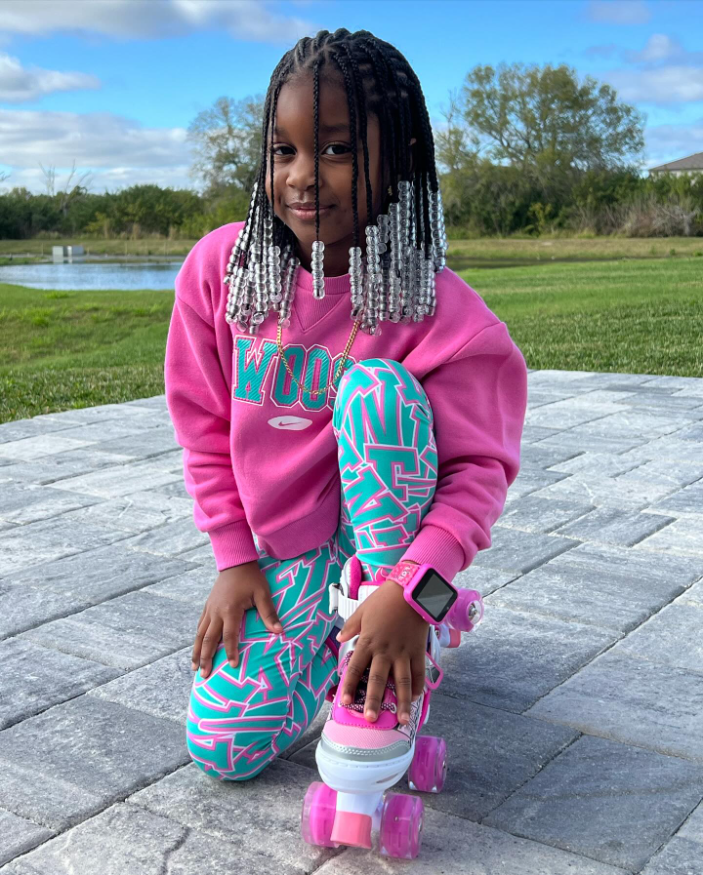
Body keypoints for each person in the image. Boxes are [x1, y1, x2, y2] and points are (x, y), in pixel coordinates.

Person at [164, 28, 528, 787]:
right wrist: (234, 558)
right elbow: (201, 427)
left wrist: (412, 590)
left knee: (373, 389)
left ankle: (410, 632)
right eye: (283, 150)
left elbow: (476, 478)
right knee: (220, 749)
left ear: (395, 158)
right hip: (289, 550)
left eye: (334, 150)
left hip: (395, 553)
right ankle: (326, 647)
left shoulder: (442, 314)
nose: (302, 176)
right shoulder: (221, 275)